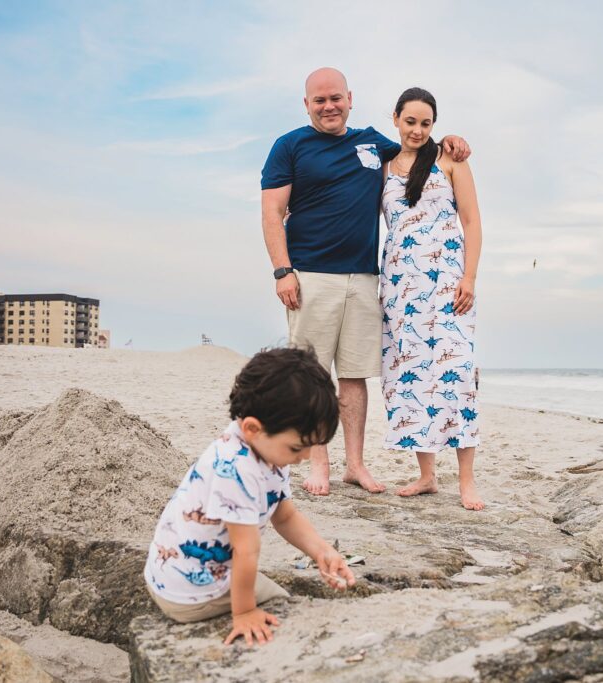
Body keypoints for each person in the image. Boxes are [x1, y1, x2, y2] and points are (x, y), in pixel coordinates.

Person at [261, 68, 470, 497]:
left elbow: (420, 146)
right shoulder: (290, 146)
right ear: (306, 104)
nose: (329, 106)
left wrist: (452, 139)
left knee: (355, 377)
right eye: (319, 100)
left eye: (335, 98)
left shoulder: (376, 143)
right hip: (311, 275)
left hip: (366, 278)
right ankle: (319, 463)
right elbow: (271, 212)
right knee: (314, 374)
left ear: (350, 99)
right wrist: (282, 270)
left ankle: (354, 465)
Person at [142, 347, 356, 646]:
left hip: (182, 576)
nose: (305, 457)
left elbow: (285, 515)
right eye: (297, 448)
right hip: (191, 592)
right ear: (253, 428)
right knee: (285, 608)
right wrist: (244, 613)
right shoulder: (237, 468)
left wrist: (322, 552)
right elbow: (245, 551)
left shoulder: (265, 447)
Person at [379, 87, 484, 511]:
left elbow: (473, 222)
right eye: (410, 121)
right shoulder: (382, 169)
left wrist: (470, 277)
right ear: (396, 119)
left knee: (457, 373)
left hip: (449, 288)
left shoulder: (449, 159)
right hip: (401, 290)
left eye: (426, 123)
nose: (418, 130)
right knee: (412, 379)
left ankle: (466, 480)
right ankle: (427, 475)